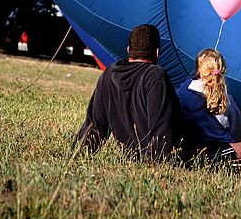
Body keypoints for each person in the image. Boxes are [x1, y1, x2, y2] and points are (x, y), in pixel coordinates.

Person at [75, 24, 183, 161]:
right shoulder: (155, 76)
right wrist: (153, 163)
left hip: (132, 157)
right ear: (157, 52)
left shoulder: (109, 74)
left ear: (128, 50)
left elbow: (95, 126)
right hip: (159, 160)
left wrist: (77, 156)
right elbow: (162, 130)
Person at [177, 49, 241, 162]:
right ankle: (221, 158)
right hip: (215, 147)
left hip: (187, 145)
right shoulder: (226, 99)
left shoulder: (184, 90)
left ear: (198, 70)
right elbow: (235, 129)